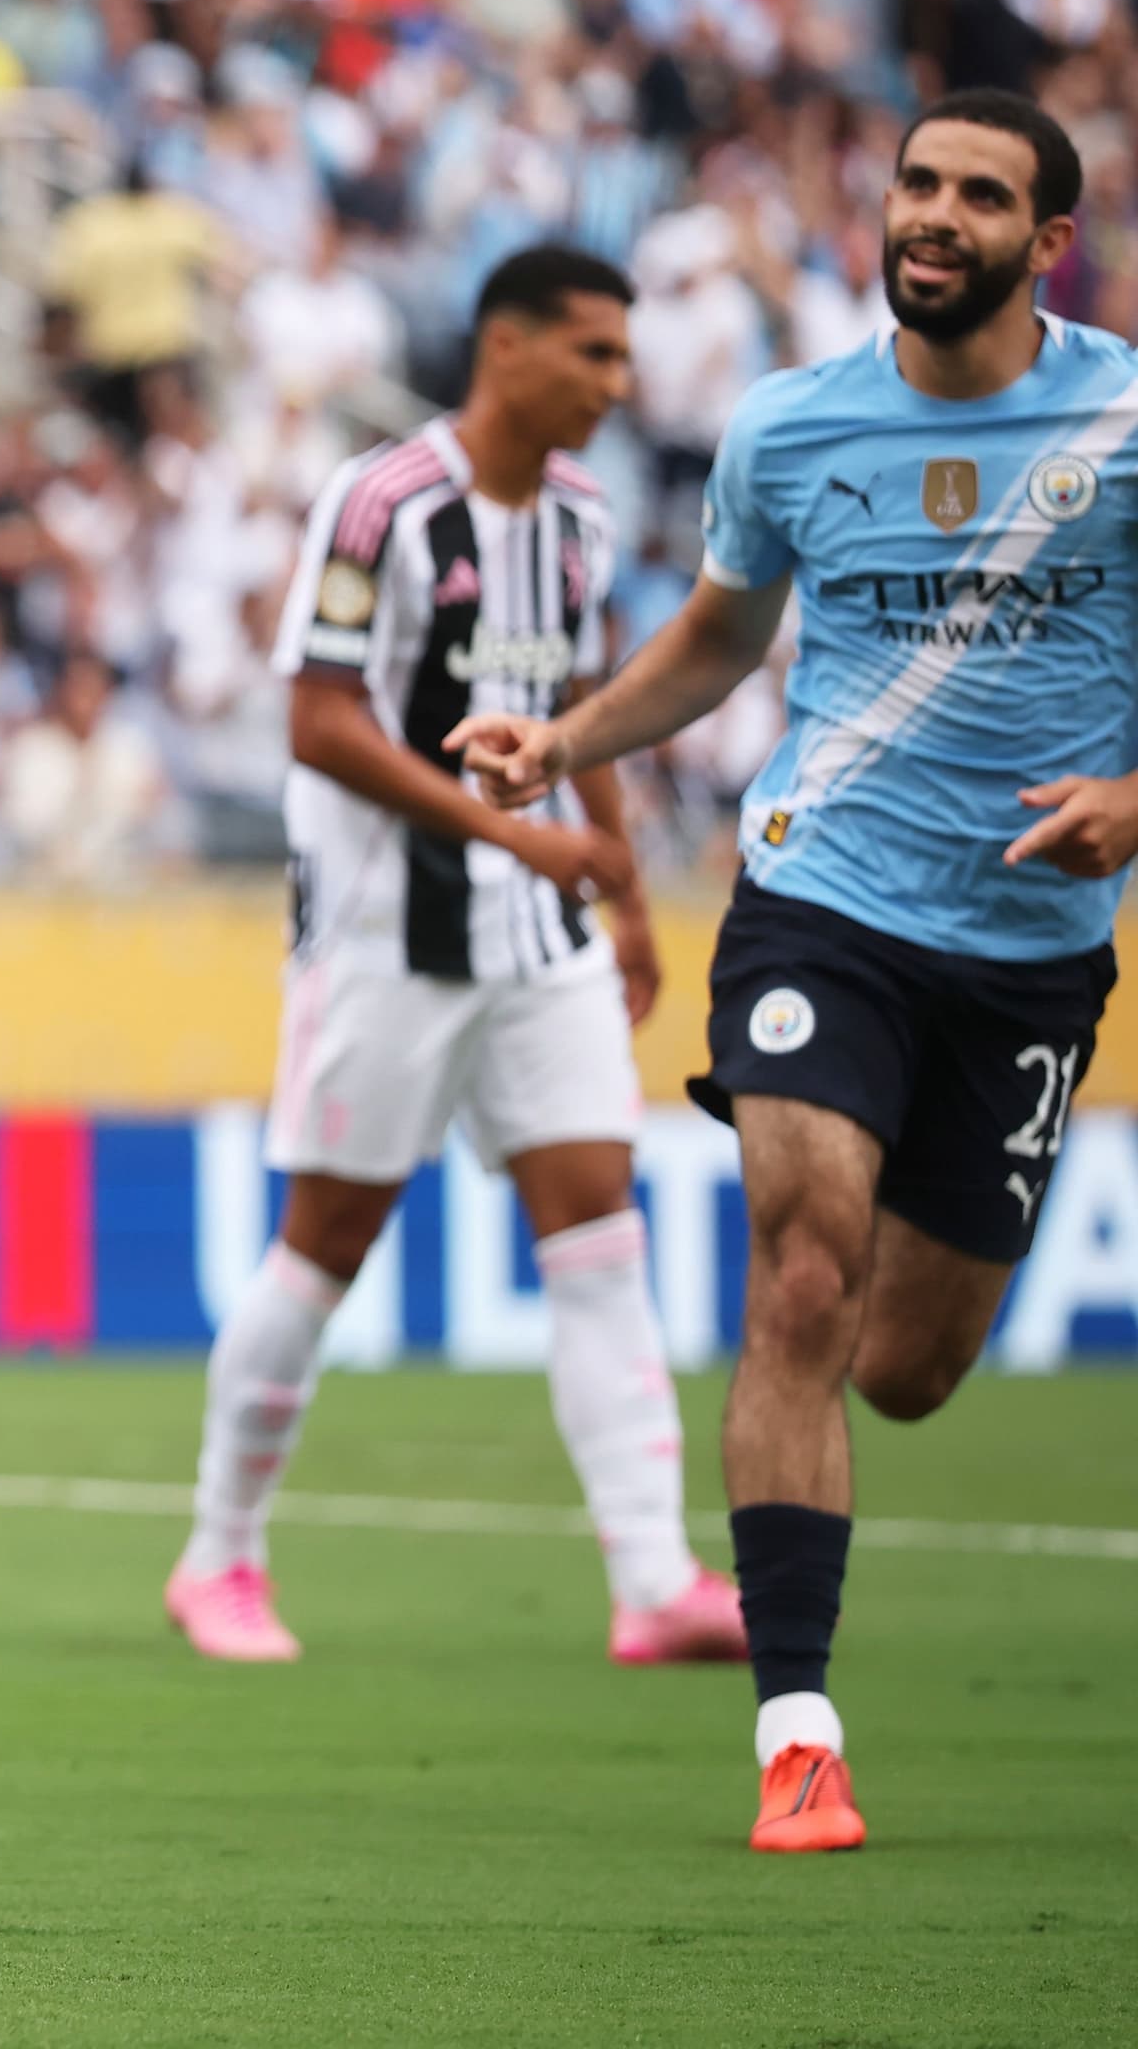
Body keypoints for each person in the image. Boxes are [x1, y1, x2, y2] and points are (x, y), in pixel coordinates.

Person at [454, 94, 1138, 1856]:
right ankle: (799, 1735)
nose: (934, 215)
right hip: (818, 902)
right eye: (918, 182)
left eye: (980, 196)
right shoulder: (791, 425)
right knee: (801, 1268)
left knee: (906, 1364)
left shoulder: (1128, 418)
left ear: (1044, 243)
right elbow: (722, 635)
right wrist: (566, 739)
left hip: (1031, 960)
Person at [169, 244, 746, 1674]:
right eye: (595, 354)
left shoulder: (586, 517)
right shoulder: (382, 506)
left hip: (540, 938)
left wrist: (613, 881)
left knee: (601, 1233)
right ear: (507, 347)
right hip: (385, 936)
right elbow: (320, 723)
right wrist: (530, 843)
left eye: (625, 358)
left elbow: (579, 702)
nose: (621, 383)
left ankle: (654, 1578)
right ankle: (219, 1555)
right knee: (327, 1246)